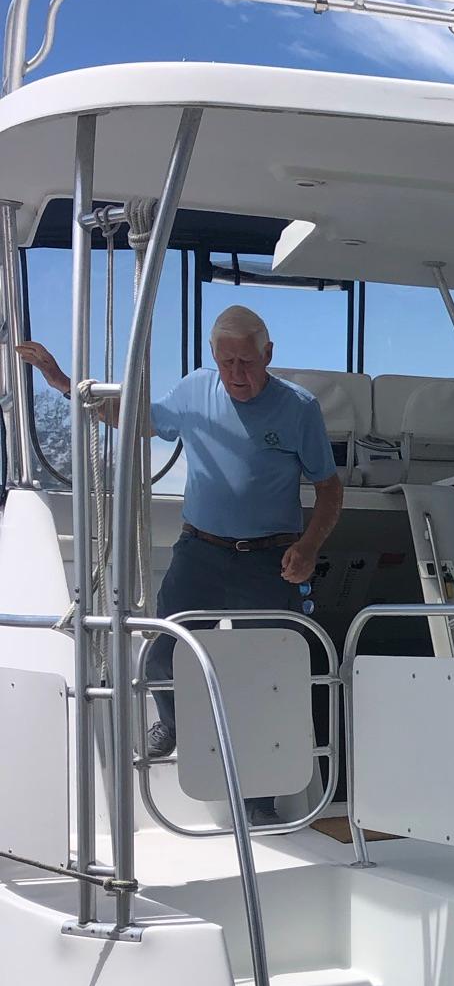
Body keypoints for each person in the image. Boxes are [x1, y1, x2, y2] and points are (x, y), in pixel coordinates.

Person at [18, 306, 343, 826]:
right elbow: (136, 420)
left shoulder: (299, 409)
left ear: (269, 355)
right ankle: (174, 726)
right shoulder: (195, 390)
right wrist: (60, 382)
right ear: (214, 359)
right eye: (228, 361)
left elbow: (330, 490)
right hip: (201, 554)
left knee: (266, 676)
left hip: (269, 562)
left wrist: (307, 548)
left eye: (248, 361)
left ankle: (259, 801)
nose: (238, 373)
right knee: (163, 656)